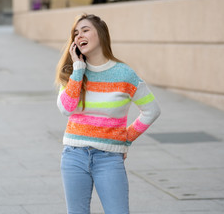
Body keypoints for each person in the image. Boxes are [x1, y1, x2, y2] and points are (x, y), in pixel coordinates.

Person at [55, 13, 160, 214]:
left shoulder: (124, 74)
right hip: (73, 156)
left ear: (101, 35)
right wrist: (78, 69)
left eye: (85, 30)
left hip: (109, 158)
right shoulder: (72, 72)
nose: (79, 36)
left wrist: (126, 138)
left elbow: (152, 110)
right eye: (75, 33)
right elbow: (66, 108)